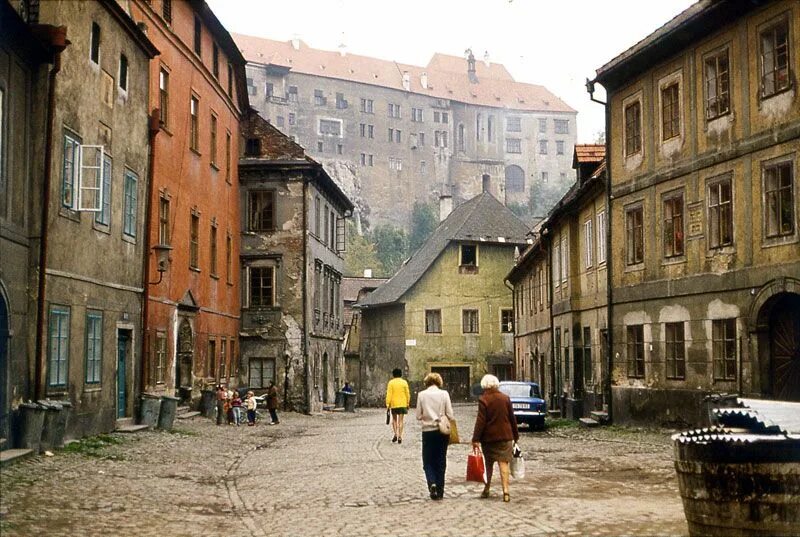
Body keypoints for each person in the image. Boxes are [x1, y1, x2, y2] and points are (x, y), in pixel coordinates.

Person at [471, 374, 519, 503]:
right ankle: (506, 491)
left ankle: (487, 488)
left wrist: (475, 439)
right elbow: (512, 418)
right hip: (505, 436)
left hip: (489, 438)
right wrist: (516, 435)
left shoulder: (484, 400)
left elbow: (481, 421)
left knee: (489, 464)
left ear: (484, 385)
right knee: (504, 463)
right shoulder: (505, 398)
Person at [415, 372, 455, 500]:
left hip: (428, 431)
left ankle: (431, 482)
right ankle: (440, 489)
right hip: (442, 431)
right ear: (439, 382)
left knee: (428, 460)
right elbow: (450, 414)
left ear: (427, 382)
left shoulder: (421, 395)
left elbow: (418, 416)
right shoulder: (444, 394)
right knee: (441, 459)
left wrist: (427, 415)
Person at [385, 368, 410, 444]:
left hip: (394, 404)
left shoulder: (391, 383)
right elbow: (407, 393)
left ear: (393, 374)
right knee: (401, 421)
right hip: (402, 404)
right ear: (401, 374)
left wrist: (387, 404)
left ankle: (395, 434)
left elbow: (389, 394)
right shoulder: (404, 382)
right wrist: (408, 403)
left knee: (394, 420)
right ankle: (400, 436)